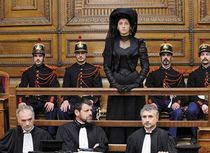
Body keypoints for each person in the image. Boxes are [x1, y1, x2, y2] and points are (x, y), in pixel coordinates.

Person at [102, 8, 149, 144]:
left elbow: (146, 66)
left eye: (126, 23)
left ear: (131, 26)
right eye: (120, 23)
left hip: (134, 88)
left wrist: (136, 83)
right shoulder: (110, 42)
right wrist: (115, 84)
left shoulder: (139, 43)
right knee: (116, 119)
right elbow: (107, 66)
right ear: (116, 26)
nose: (123, 26)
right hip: (116, 88)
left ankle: (135, 147)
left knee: (133, 118)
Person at [186, 42, 210, 144]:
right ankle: (195, 136)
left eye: (207, 54)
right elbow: (190, 94)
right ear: (199, 57)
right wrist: (202, 104)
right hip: (197, 102)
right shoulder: (193, 74)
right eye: (202, 54)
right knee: (191, 110)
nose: (205, 57)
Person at [18, 39, 60, 135]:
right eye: (36, 56)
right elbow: (22, 88)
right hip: (33, 101)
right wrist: (22, 102)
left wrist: (51, 101)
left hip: (46, 101)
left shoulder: (50, 71)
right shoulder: (27, 72)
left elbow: (55, 87)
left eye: (40, 56)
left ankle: (51, 138)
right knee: (26, 111)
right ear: (33, 57)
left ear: (43, 57)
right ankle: (31, 137)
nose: (38, 58)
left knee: (51, 111)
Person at [145, 42, 186, 138]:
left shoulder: (178, 75)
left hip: (171, 102)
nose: (166, 57)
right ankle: (153, 138)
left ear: (171, 57)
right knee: (150, 111)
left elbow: (182, 92)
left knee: (178, 112)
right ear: (160, 57)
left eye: (168, 55)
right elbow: (149, 92)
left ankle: (171, 139)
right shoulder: (153, 74)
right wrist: (152, 102)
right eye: (163, 55)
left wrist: (177, 102)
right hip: (157, 102)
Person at [58, 37, 103, 120]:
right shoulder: (69, 70)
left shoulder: (93, 69)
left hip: (89, 101)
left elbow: (99, 90)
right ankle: (68, 132)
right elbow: (65, 88)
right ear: (75, 54)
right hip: (74, 101)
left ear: (86, 54)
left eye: (82, 53)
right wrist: (65, 100)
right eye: (78, 53)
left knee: (91, 111)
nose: (80, 55)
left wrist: (92, 101)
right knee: (62, 111)